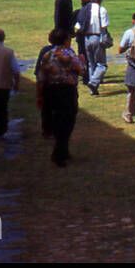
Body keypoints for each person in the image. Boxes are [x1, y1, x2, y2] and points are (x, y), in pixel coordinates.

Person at [36, 28, 85, 167]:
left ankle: (63, 150)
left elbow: (41, 77)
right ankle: (59, 152)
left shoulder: (47, 55)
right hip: (66, 90)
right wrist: (83, 61)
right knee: (67, 120)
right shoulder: (69, 54)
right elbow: (81, 71)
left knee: (57, 119)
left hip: (50, 90)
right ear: (65, 40)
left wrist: (39, 95)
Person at [79, 0, 109, 95]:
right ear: (100, 0)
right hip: (97, 36)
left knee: (91, 64)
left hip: (86, 38)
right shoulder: (102, 10)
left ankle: (93, 90)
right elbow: (104, 26)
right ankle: (93, 82)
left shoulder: (85, 9)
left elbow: (78, 25)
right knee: (102, 64)